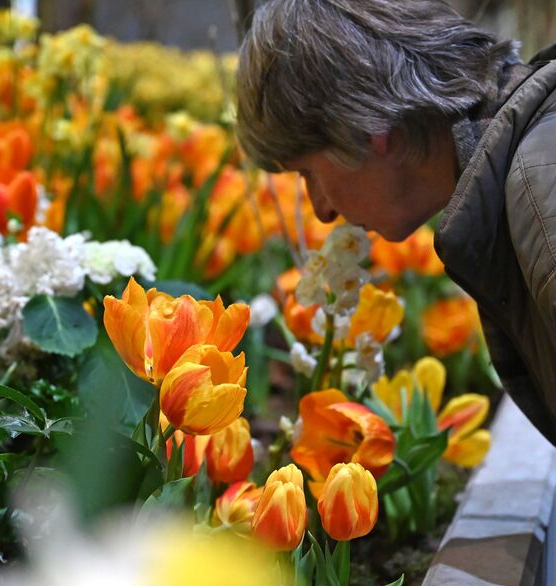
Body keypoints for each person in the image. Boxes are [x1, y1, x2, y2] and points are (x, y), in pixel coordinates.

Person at [236, 0, 556, 445]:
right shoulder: (526, 170)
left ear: (367, 126)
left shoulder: (541, 188)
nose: (321, 210)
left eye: (308, 173)